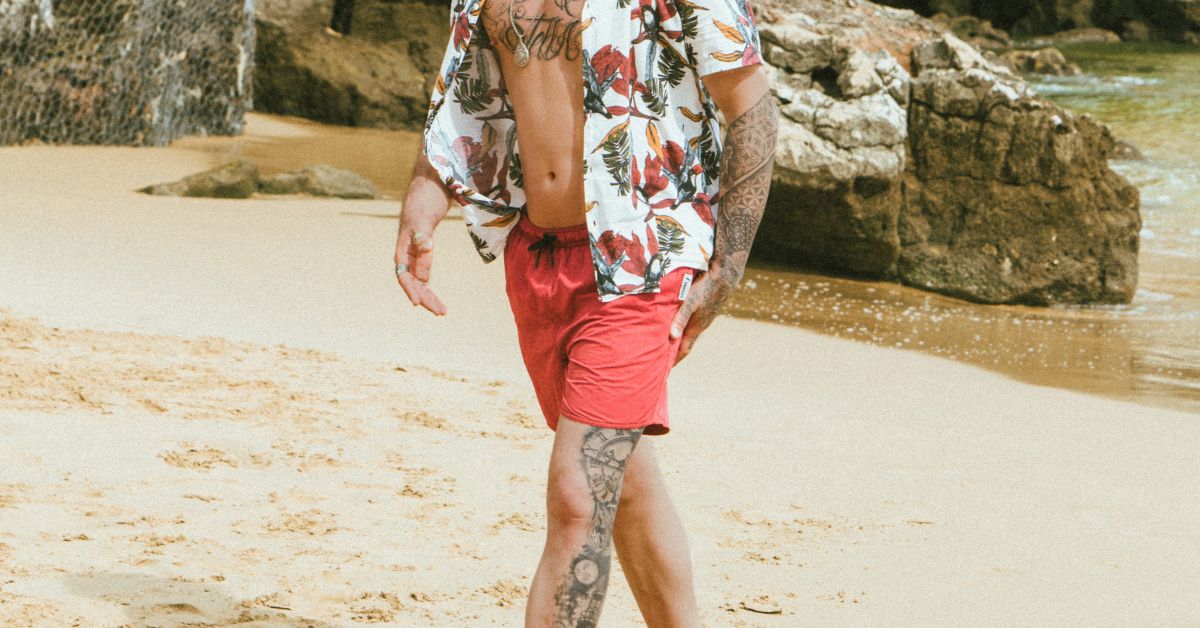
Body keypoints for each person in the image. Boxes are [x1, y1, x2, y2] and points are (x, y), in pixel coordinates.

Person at [393, 0, 778, 623]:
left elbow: (752, 104)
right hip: (539, 260)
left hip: (645, 256)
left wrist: (727, 266)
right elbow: (462, 103)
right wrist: (423, 197)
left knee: (578, 494)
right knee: (620, 483)